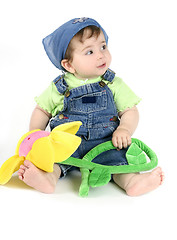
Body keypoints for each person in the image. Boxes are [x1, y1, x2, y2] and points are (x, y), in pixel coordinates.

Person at [18, 17, 164, 196]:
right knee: (53, 158)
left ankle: (133, 181)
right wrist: (35, 135)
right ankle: (47, 179)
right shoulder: (59, 87)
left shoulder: (113, 83)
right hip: (67, 142)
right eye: (89, 52)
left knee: (118, 161)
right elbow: (42, 110)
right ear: (69, 64)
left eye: (103, 47)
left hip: (104, 141)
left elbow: (129, 110)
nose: (101, 54)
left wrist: (124, 129)